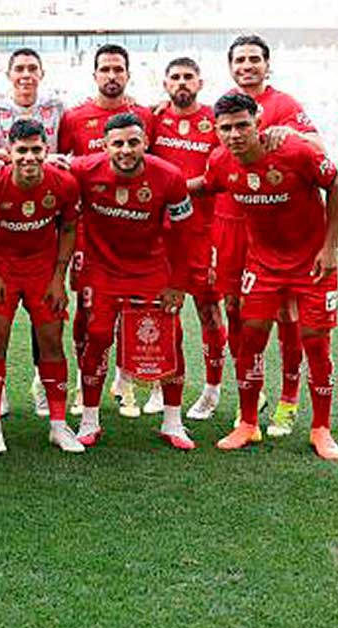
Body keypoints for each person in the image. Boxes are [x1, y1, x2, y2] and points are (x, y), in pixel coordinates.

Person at [195, 93, 338, 460]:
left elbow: (337, 186)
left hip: (312, 263)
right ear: (216, 131)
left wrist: (330, 247)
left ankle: (320, 428)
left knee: (315, 341)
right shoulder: (220, 161)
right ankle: (248, 424)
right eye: (226, 128)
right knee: (250, 340)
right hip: (261, 265)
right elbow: (203, 185)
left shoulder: (295, 151)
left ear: (257, 122)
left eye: (242, 125)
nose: (235, 134)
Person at [195, 35, 322, 435]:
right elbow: (210, 168)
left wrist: (292, 135)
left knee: (287, 311)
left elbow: (318, 145)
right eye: (239, 60)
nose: (247, 66)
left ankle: (289, 396)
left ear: (268, 64)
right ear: (230, 66)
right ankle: (252, 397)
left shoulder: (284, 105)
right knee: (237, 311)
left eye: (254, 59)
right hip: (231, 222)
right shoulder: (224, 106)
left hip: (275, 225)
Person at [69, 113, 196, 451]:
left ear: (145, 143)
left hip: (150, 270)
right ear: (105, 146)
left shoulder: (169, 177)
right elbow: (50, 167)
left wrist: (178, 283)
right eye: (118, 144)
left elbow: (184, 235)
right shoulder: (85, 169)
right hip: (101, 269)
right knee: (96, 337)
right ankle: (89, 420)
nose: (126, 150)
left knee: (171, 340)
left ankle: (173, 421)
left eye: (133, 142)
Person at [0, 118, 83, 453]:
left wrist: (59, 276)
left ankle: (58, 425)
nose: (29, 157)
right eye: (22, 150)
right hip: (1, 269)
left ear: (47, 150)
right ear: (9, 152)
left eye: (36, 150)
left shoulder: (64, 184)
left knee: (52, 342)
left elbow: (69, 229)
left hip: (42, 270)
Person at [58, 44, 157, 418]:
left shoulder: (145, 114)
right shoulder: (75, 116)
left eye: (118, 69)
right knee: (88, 313)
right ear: (95, 75)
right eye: (105, 69)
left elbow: (154, 165)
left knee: (133, 309)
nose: (112, 75)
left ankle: (126, 380)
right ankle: (86, 385)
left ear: (128, 74)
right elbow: (64, 169)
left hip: (135, 231)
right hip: (89, 232)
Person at [0, 47, 67, 416]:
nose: (26, 75)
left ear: (42, 72)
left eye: (32, 68)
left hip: (45, 221)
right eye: (19, 68)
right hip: (4, 224)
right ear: (8, 74)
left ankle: (42, 384)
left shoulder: (58, 108)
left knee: (46, 322)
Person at [147, 58, 226, 419]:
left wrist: (175, 190)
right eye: (175, 77)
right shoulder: (154, 119)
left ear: (200, 82)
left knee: (209, 312)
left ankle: (212, 389)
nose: (182, 83)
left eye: (188, 77)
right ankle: (163, 386)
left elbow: (218, 174)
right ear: (165, 84)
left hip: (204, 234)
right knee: (164, 312)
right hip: (163, 236)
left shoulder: (215, 121)